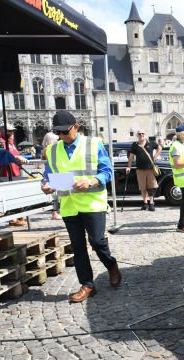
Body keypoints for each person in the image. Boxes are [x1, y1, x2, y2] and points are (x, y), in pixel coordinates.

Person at [41, 111, 121, 303]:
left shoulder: (94, 144)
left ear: (76, 126)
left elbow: (107, 171)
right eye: (58, 133)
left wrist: (91, 181)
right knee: (78, 247)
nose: (62, 136)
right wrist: (45, 184)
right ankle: (87, 285)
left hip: (93, 203)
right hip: (69, 206)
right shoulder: (52, 150)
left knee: (97, 241)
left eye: (66, 132)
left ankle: (112, 265)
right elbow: (49, 175)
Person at [126, 129, 162, 211]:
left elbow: (159, 148)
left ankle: (151, 203)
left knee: (151, 187)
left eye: (143, 133)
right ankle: (145, 203)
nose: (141, 135)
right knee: (142, 187)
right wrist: (129, 166)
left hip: (150, 169)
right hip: (140, 169)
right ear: (137, 135)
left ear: (145, 134)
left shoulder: (151, 143)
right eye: (139, 134)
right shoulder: (135, 144)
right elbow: (131, 156)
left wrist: (154, 157)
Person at [41, 132, 61, 219]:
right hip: (54, 172)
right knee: (56, 194)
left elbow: (43, 160)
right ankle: (55, 213)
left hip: (48, 171)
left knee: (54, 194)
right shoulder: (52, 148)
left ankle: (55, 212)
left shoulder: (44, 149)